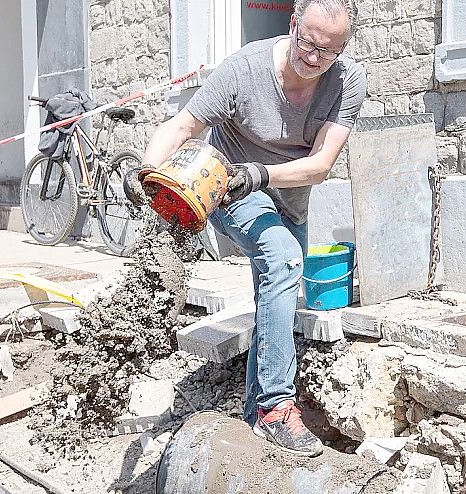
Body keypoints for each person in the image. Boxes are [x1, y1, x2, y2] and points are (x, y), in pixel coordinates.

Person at [140, 0, 365, 456]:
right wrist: (148, 172)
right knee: (282, 259)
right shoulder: (243, 70)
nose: (314, 57)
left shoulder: (347, 82)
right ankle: (276, 408)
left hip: (288, 194)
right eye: (307, 42)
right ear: (292, 25)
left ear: (342, 49)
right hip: (228, 187)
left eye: (328, 51)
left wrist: (261, 174)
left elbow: (320, 166)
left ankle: (253, 419)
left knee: (278, 289)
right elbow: (183, 126)